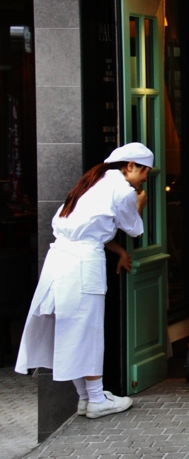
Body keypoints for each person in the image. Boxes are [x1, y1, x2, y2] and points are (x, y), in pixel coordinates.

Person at [15, 142, 152, 419]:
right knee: (87, 330)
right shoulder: (122, 190)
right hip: (83, 263)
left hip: (60, 262)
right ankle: (97, 399)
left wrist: (119, 251)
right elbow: (133, 228)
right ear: (130, 166)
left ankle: (86, 398)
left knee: (70, 328)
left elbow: (94, 228)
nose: (146, 178)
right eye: (145, 171)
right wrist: (140, 204)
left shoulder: (91, 182)